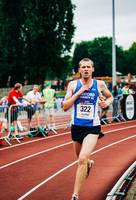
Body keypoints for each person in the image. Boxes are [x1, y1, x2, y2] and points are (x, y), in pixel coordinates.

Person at [62, 58, 113, 200]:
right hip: (76, 127)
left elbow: (110, 97)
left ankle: (75, 195)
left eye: (88, 67)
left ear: (92, 69)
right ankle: (89, 163)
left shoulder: (99, 84)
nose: (85, 69)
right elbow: (65, 106)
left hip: (93, 127)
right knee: (81, 159)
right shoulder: (73, 85)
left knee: (82, 159)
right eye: (83, 67)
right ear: (79, 70)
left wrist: (106, 103)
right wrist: (79, 93)